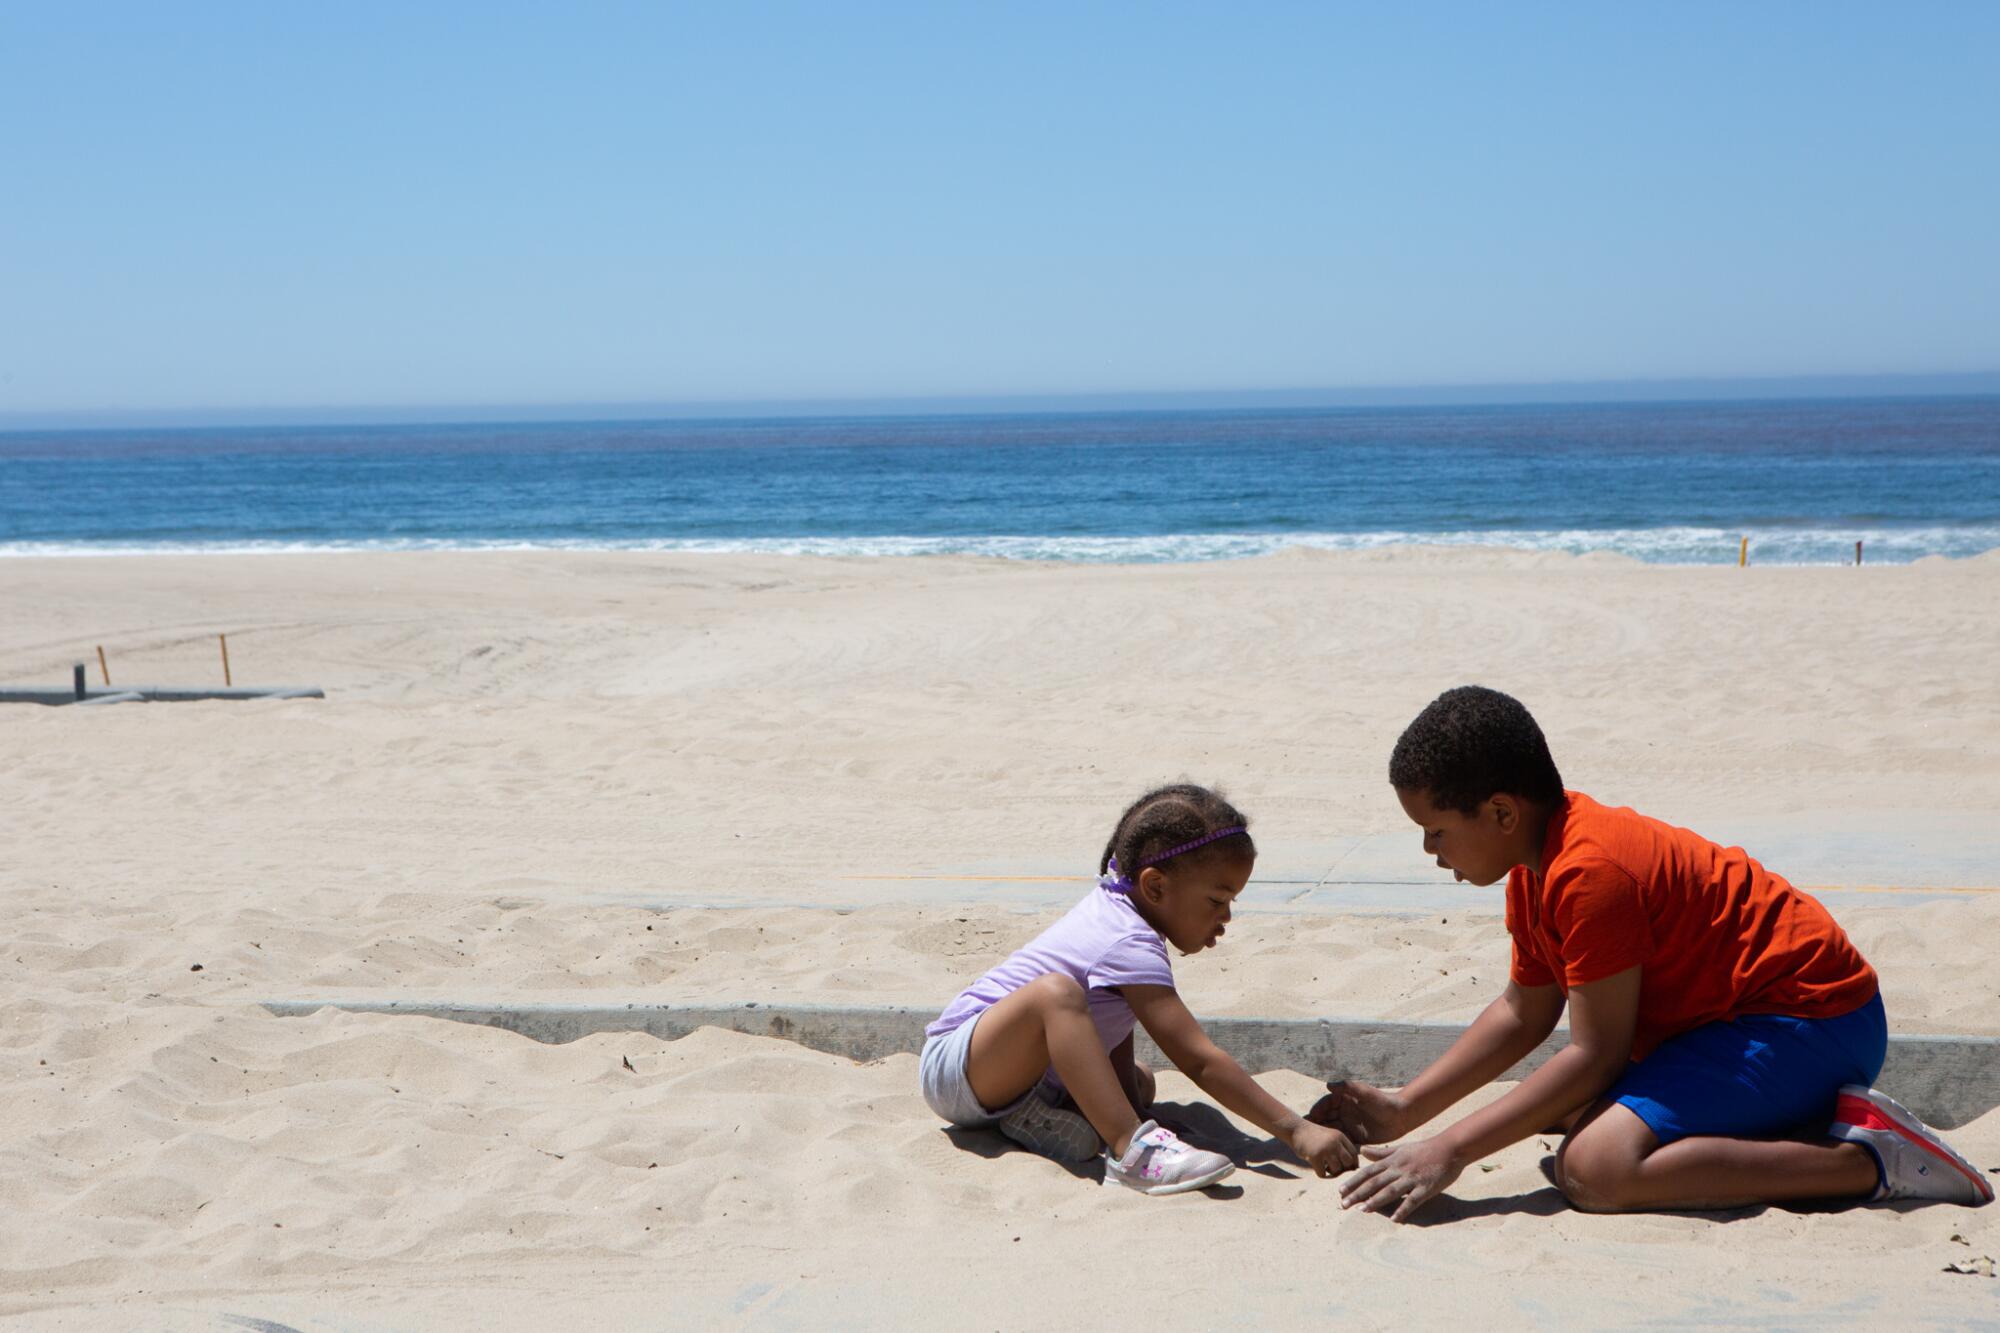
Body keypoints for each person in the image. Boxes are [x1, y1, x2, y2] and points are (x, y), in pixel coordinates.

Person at [1317, 685, 1991, 1221]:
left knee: (1595, 1168)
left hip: (1812, 1021)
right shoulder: (1534, 865)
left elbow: (1593, 1054)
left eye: (1435, 831)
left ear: (1501, 813)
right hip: (1728, 1026)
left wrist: (1448, 1150)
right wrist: (1408, 1110)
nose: (1430, 853)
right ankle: (1804, 1123)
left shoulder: (1591, 871)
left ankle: (1876, 1159)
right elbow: (1525, 1008)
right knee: (1557, 1111)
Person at [921, 783, 1358, 1195]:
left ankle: (1035, 1118)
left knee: (1139, 1083)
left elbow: (1112, 1018)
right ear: (1155, 886)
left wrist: (1135, 1106)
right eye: (1216, 900)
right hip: (956, 1068)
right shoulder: (1127, 940)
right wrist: (1295, 1130)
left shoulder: (1126, 913)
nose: (1225, 917)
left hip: (1012, 1077)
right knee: (1055, 994)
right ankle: (1132, 1151)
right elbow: (1198, 1060)